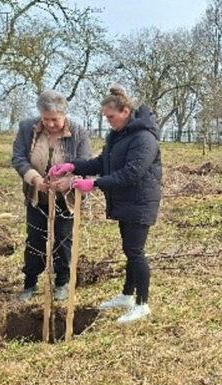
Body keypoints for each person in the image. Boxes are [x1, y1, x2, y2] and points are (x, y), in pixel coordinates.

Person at [49, 85, 162, 324]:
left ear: (125, 111)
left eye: (111, 117)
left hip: (140, 200)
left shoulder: (144, 137)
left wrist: (95, 184)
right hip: (126, 200)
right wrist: (73, 167)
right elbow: (103, 162)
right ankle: (127, 295)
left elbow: (132, 173)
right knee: (129, 250)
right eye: (106, 117)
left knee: (135, 252)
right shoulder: (118, 135)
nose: (108, 121)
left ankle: (142, 304)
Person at [11, 90, 92, 303]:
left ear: (64, 115)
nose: (50, 124)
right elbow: (19, 158)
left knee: (63, 240)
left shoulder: (78, 132)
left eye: (54, 119)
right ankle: (29, 283)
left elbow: (86, 162)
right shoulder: (27, 128)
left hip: (66, 199)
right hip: (37, 196)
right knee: (35, 240)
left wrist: (69, 180)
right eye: (45, 119)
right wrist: (35, 179)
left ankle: (62, 282)